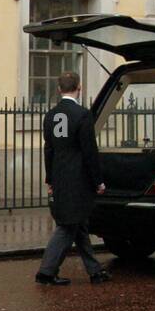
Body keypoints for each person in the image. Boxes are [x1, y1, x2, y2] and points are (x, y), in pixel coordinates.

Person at [36, 71, 110, 287]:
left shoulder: (50, 115)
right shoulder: (83, 115)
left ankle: (95, 271)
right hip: (78, 179)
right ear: (80, 87)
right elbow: (89, 151)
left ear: (59, 89)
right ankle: (46, 271)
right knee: (68, 226)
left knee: (79, 225)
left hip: (59, 176)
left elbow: (48, 150)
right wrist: (98, 180)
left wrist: (50, 178)